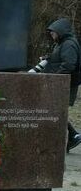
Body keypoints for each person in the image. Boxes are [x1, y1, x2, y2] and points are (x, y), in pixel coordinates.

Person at [32, 17, 81, 151]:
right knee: (55, 110)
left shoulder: (69, 44)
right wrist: (48, 58)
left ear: (60, 31)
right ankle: (73, 136)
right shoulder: (62, 43)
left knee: (55, 111)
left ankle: (73, 135)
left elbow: (68, 65)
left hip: (64, 84)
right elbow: (60, 59)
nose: (52, 35)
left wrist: (54, 78)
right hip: (60, 83)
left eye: (53, 32)